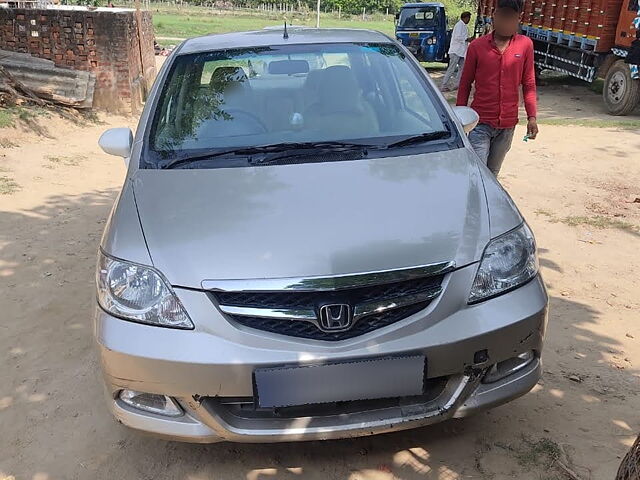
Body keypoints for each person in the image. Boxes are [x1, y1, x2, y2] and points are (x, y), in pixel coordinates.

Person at [456, 0, 538, 176]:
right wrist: (460, 119)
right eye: (503, 16)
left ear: (519, 18)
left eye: (511, 18)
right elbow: (465, 83)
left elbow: (529, 84)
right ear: (495, 15)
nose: (506, 22)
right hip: (481, 123)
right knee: (478, 174)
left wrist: (532, 117)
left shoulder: (525, 45)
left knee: (492, 174)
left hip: (507, 125)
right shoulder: (477, 47)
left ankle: (487, 203)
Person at [441, 11, 472, 92]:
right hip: (455, 51)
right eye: (468, 18)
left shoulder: (464, 26)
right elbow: (458, 37)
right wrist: (467, 39)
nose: (469, 20)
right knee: (451, 68)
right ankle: (444, 85)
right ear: (465, 18)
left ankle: (457, 84)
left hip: (461, 52)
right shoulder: (459, 25)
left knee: (462, 68)